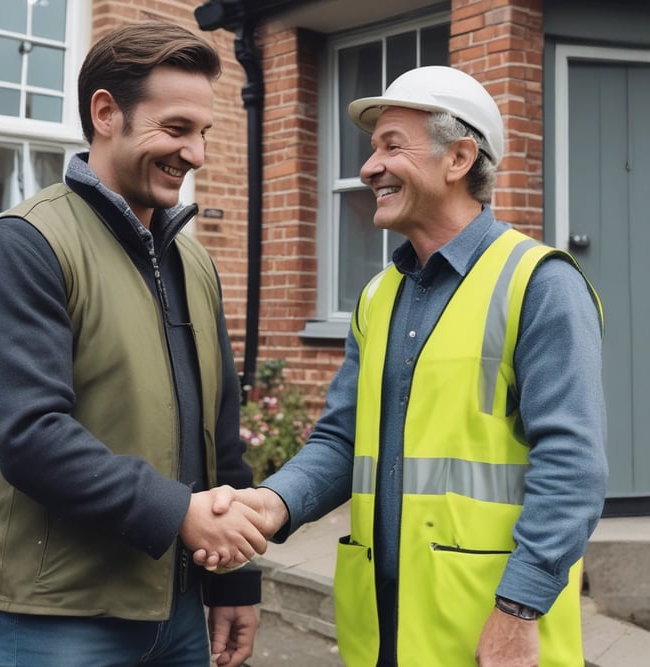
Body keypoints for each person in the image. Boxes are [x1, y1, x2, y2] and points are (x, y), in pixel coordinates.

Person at [199, 66, 608, 666]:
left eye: (393, 146)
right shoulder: (377, 296)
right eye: (373, 150)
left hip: (489, 634)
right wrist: (274, 502)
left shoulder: (540, 285)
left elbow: (572, 469)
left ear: (459, 158)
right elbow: (344, 438)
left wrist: (519, 609)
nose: (369, 168)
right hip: (383, 632)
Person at [0, 22, 268, 667]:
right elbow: (34, 436)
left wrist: (233, 577)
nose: (197, 154)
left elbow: (221, 430)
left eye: (202, 133)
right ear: (105, 113)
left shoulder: (193, 260)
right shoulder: (25, 244)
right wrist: (180, 512)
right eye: (176, 128)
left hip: (177, 608)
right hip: (57, 614)